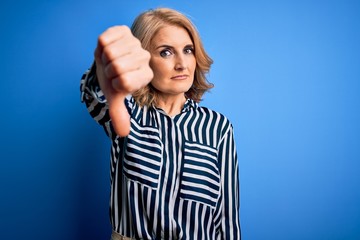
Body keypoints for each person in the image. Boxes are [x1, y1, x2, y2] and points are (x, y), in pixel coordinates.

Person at [80, 7, 241, 240]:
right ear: (143, 60)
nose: (181, 64)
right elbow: (95, 95)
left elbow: (227, 218)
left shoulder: (218, 127)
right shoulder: (127, 112)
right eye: (166, 52)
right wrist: (104, 71)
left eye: (188, 50)